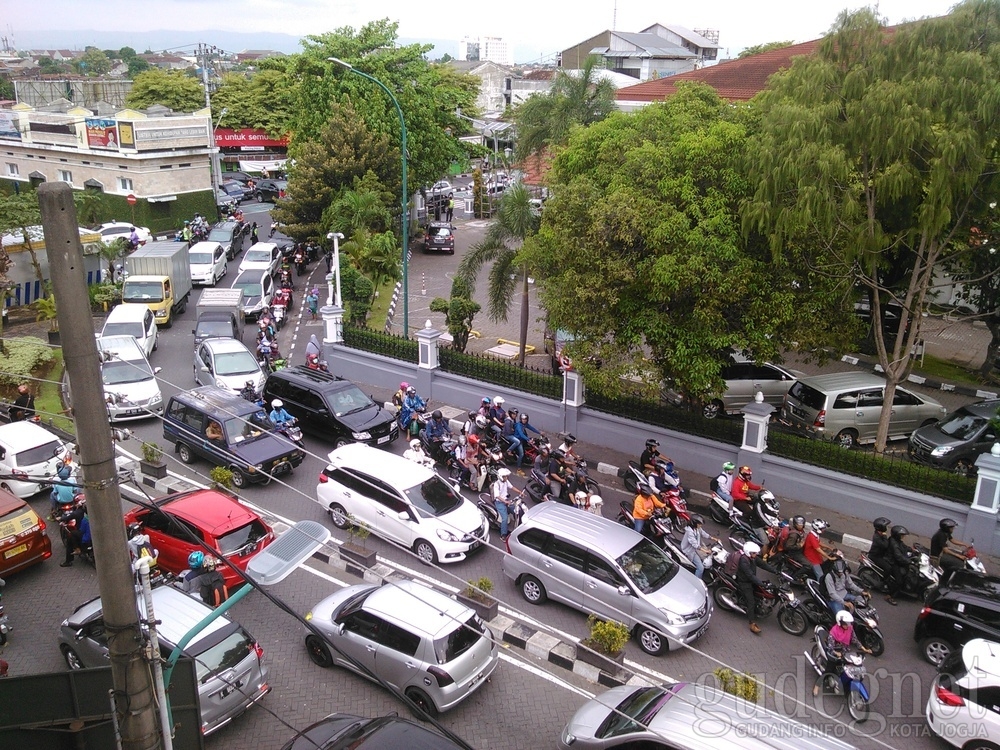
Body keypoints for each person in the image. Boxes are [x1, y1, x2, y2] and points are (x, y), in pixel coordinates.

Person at [737, 541, 777, 634]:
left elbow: (763, 565)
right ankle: (751, 623)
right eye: (754, 553)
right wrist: (761, 583)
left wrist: (775, 571)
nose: (756, 554)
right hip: (745, 582)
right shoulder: (744, 561)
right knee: (751, 602)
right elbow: (750, 575)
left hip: (751, 580)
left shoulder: (753, 558)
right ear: (749, 552)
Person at [867, 517, 900, 605]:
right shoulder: (877, 537)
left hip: (882, 555)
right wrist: (885, 536)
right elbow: (885, 545)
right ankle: (884, 582)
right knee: (888, 568)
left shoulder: (880, 535)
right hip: (875, 556)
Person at [682, 514, 719, 580]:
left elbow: (703, 533)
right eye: (699, 524)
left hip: (696, 548)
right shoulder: (689, 532)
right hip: (690, 551)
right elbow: (695, 544)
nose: (701, 525)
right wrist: (706, 551)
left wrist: (713, 538)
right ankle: (697, 581)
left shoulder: (697, 528)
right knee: (700, 568)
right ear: (694, 524)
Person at [885, 525, 915, 606]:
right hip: (893, 562)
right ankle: (890, 596)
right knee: (899, 581)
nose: (903, 537)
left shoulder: (897, 541)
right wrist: (909, 561)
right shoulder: (894, 543)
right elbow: (898, 556)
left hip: (897, 560)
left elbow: (903, 546)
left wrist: (912, 550)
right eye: (902, 535)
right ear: (897, 535)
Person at [57, 496, 87, 567]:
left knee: (70, 537)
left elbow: (68, 517)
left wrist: (60, 518)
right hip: (91, 530)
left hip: (84, 532)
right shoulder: (89, 509)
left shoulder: (77, 513)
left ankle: (69, 560)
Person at [492, 467, 520, 539]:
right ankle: (503, 535)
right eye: (505, 477)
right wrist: (505, 502)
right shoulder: (497, 484)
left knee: (516, 511)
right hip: (500, 503)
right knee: (505, 518)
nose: (506, 478)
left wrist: (520, 492)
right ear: (501, 477)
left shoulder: (506, 481)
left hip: (506, 501)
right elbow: (497, 496)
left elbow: (512, 487)